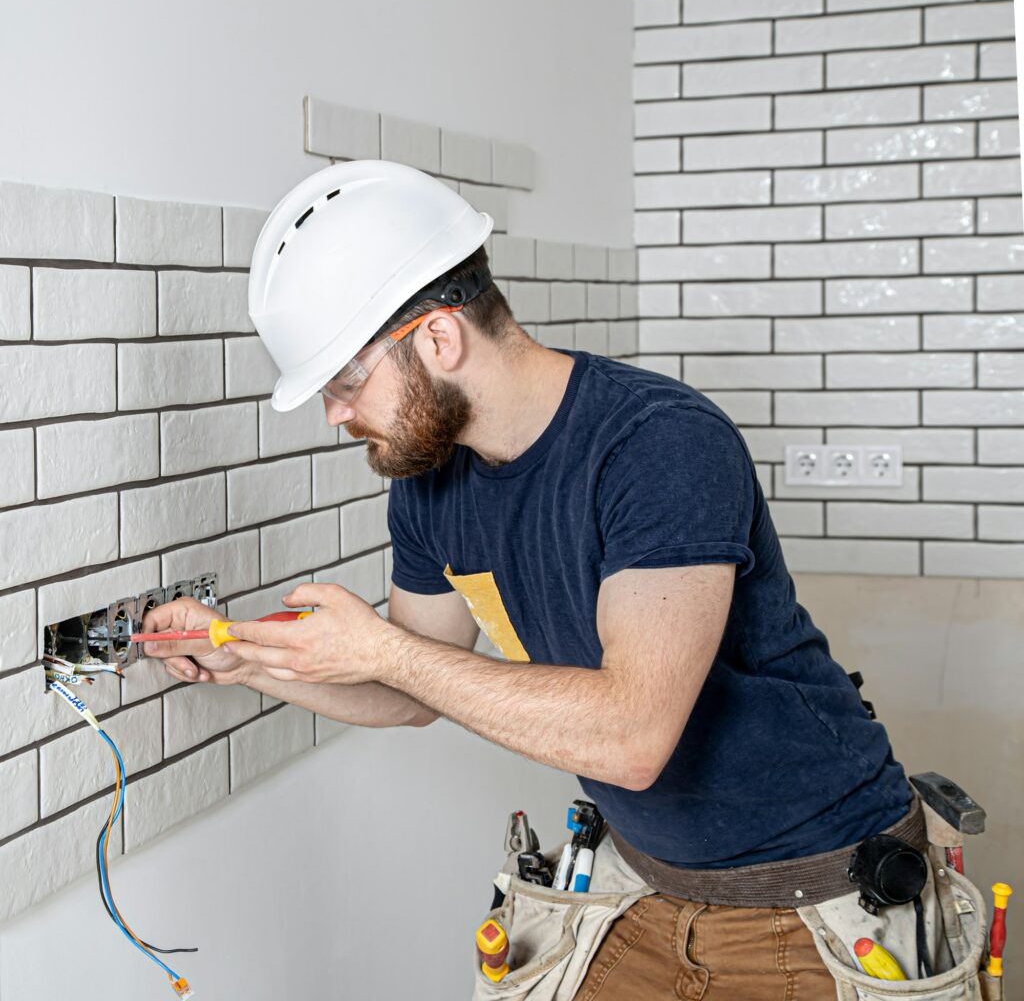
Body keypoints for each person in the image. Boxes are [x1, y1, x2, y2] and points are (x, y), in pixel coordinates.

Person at [143, 161, 920, 998]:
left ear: (439, 340)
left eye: (346, 382)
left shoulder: (659, 445)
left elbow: (632, 739)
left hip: (821, 893)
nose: (336, 414)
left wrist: (383, 651)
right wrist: (248, 663)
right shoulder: (430, 482)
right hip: (650, 882)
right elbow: (411, 690)